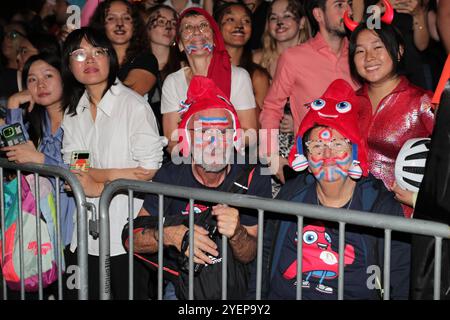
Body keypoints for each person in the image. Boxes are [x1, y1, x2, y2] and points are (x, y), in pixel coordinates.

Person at [253, 79, 411, 300]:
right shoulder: (290, 196)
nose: (327, 156)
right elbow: (265, 258)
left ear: (355, 151)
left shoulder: (380, 207)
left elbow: (400, 280)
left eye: (337, 145)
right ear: (305, 156)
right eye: (317, 146)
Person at [130, 76, 271, 300]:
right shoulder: (171, 175)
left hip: (236, 285)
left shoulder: (253, 174)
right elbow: (132, 239)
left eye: (223, 132)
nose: (214, 143)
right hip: (183, 286)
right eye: (204, 132)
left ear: (234, 137)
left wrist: (237, 233)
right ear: (186, 138)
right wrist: (169, 235)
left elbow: (249, 254)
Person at [60, 27, 163, 299]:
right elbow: (76, 168)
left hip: (126, 233)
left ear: (111, 58)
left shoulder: (133, 106)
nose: (90, 60)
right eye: (79, 54)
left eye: (98, 52)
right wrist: (96, 180)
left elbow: (148, 169)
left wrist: (99, 184)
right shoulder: (74, 112)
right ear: (69, 65)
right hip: (85, 232)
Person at [347, 10, 435, 218]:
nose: (369, 57)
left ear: (399, 51)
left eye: (378, 47)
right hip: (351, 214)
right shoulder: (347, 103)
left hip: (402, 219)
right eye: (360, 51)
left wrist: (419, 196)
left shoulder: (423, 102)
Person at [259, 0, 357, 184]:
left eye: (349, 4)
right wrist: (270, 155)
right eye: (339, 5)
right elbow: (272, 107)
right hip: (310, 167)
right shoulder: (294, 58)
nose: (348, 11)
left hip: (353, 167)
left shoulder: (358, 54)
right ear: (319, 15)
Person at [1, 52, 75, 249]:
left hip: (74, 226)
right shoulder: (37, 125)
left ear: (64, 77)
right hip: (40, 226)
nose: (40, 85)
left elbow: (80, 174)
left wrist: (42, 160)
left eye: (48, 76)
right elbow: (15, 152)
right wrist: (13, 104)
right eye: (32, 79)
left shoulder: (80, 120)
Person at [161, 7, 257, 154]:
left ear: (214, 39)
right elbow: (172, 139)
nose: (196, 31)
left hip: (231, 161)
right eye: (188, 28)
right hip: (189, 164)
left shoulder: (238, 77)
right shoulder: (173, 82)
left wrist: (213, 143)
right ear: (180, 44)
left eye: (203, 26)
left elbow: (250, 134)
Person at [90, 0, 158, 98]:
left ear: (134, 25)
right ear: (101, 25)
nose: (120, 24)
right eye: (111, 18)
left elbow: (124, 97)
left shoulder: (146, 60)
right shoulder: (93, 59)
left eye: (126, 18)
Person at [214, 2, 270, 111]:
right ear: (216, 27)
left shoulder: (257, 77)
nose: (239, 26)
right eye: (231, 19)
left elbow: (259, 124)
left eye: (246, 21)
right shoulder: (204, 69)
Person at [143, 4, 183, 134]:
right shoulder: (134, 65)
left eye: (173, 23)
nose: (169, 27)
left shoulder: (185, 67)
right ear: (145, 28)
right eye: (161, 22)